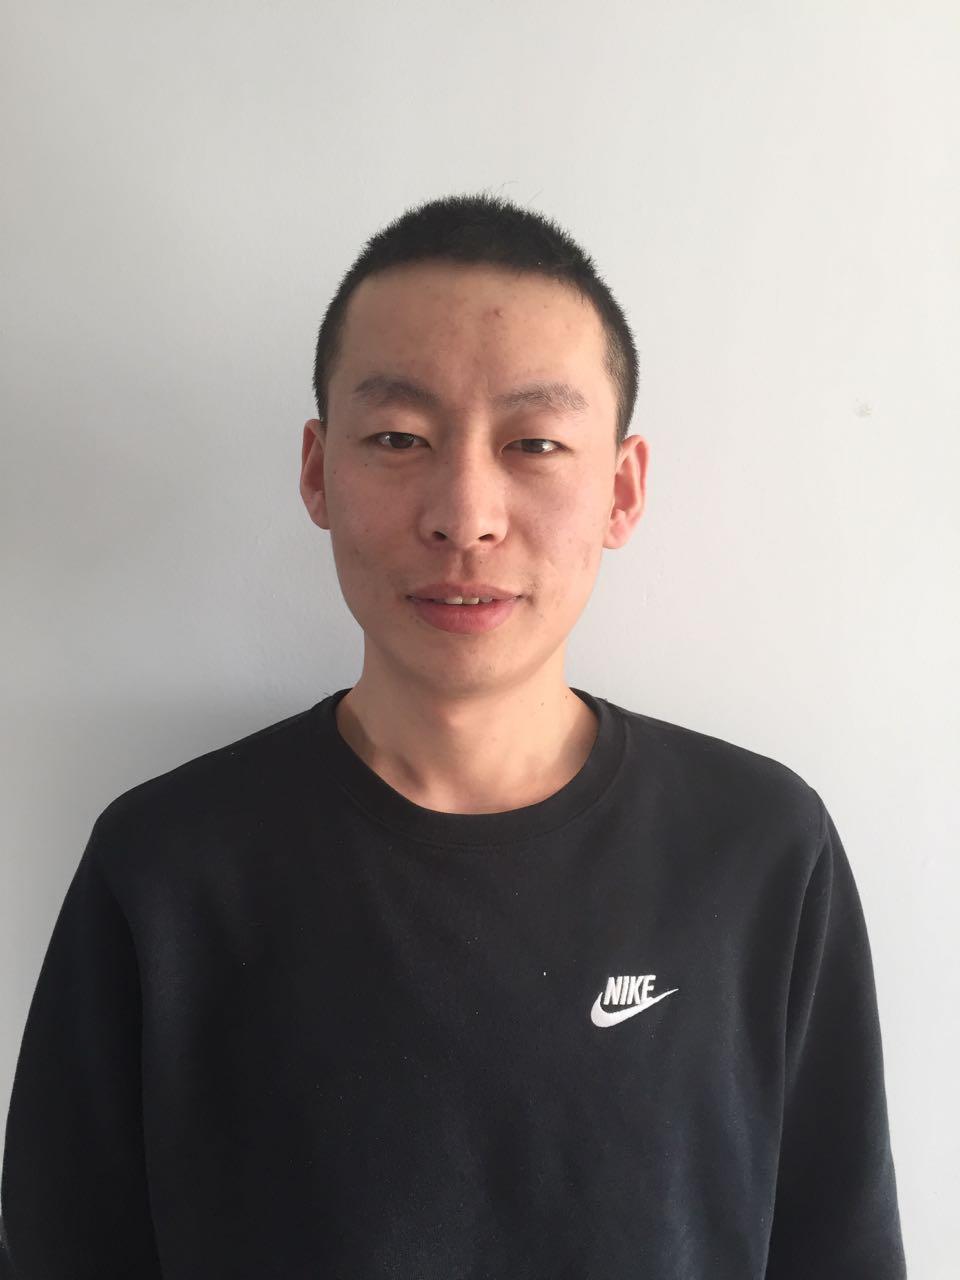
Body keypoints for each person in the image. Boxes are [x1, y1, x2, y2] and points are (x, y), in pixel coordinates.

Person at [0, 192, 907, 1278]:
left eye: (535, 442)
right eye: (398, 438)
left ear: (621, 490)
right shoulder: (165, 864)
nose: (465, 515)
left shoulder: (758, 847)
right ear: (316, 470)